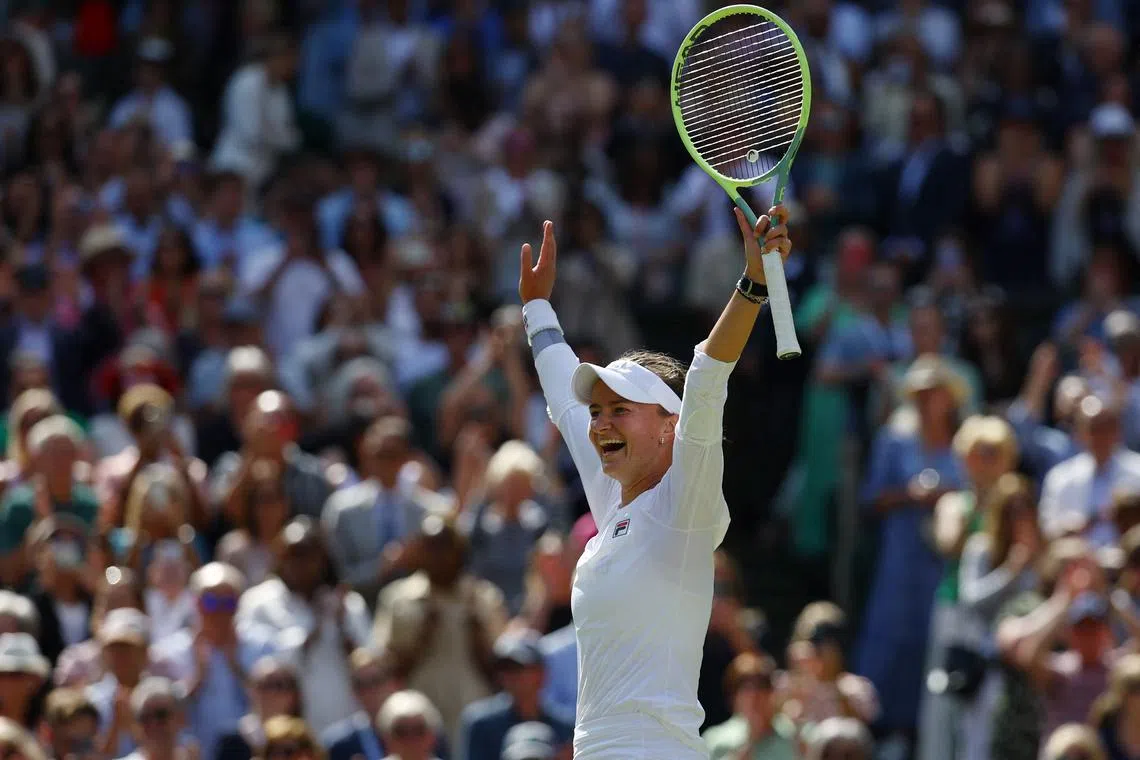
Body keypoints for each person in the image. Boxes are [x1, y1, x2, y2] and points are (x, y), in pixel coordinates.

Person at [516, 205, 793, 758]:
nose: (600, 423)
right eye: (598, 412)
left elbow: (708, 377)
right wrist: (538, 308)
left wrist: (753, 286)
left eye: (621, 409)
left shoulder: (682, 508)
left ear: (671, 425)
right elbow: (560, 398)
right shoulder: (612, 502)